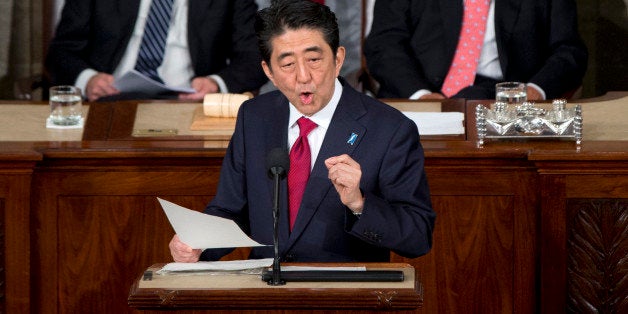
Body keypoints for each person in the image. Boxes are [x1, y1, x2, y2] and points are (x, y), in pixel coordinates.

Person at [170, 0, 435, 263]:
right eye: (287, 65)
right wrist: (198, 244)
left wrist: (359, 204)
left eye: (314, 59)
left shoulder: (390, 129)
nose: (303, 76)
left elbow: (418, 236)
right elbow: (230, 209)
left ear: (338, 58)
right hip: (266, 292)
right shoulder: (254, 116)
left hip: (345, 294)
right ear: (269, 71)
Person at [364, 0, 588, 101]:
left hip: (505, 102)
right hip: (419, 93)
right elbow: (383, 44)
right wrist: (422, 97)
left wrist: (534, 90)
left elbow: (569, 51)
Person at [45, 0, 268, 101]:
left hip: (188, 104)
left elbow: (256, 56)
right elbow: (61, 52)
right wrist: (89, 80)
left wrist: (216, 83)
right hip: (109, 101)